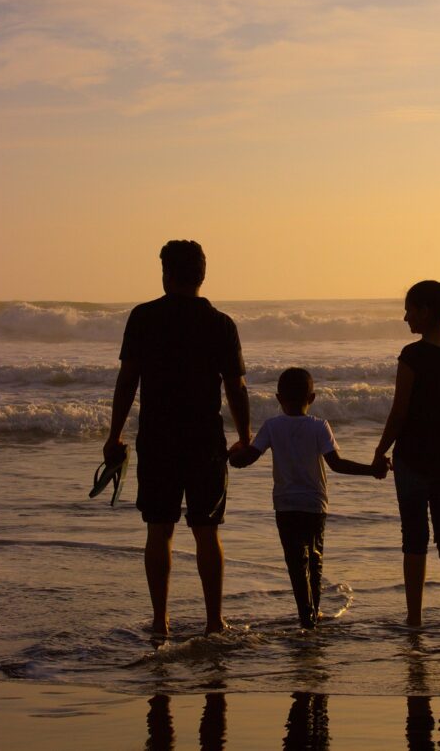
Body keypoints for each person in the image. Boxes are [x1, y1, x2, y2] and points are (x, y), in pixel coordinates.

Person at [103, 240, 251, 638]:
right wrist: (246, 436)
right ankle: (214, 621)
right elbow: (236, 388)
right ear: (202, 275)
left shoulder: (144, 317)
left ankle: (160, 621)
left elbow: (127, 380)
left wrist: (114, 434)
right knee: (207, 530)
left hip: (158, 437)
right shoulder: (220, 323)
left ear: (166, 274)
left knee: (159, 528)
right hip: (205, 439)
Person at [229, 367, 388, 629]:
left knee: (295, 563)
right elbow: (336, 464)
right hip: (315, 505)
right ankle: (312, 614)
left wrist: (228, 455)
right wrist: (372, 470)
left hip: (286, 505)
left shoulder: (272, 426)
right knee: (315, 560)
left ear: (278, 398)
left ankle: (307, 617)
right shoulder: (319, 426)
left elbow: (245, 460)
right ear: (312, 398)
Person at [373, 281, 440, 627]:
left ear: (425, 311)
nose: (405, 317)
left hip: (414, 459)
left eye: (409, 310)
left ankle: (414, 618)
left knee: (414, 537)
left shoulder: (413, 355)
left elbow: (399, 413)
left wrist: (379, 451)